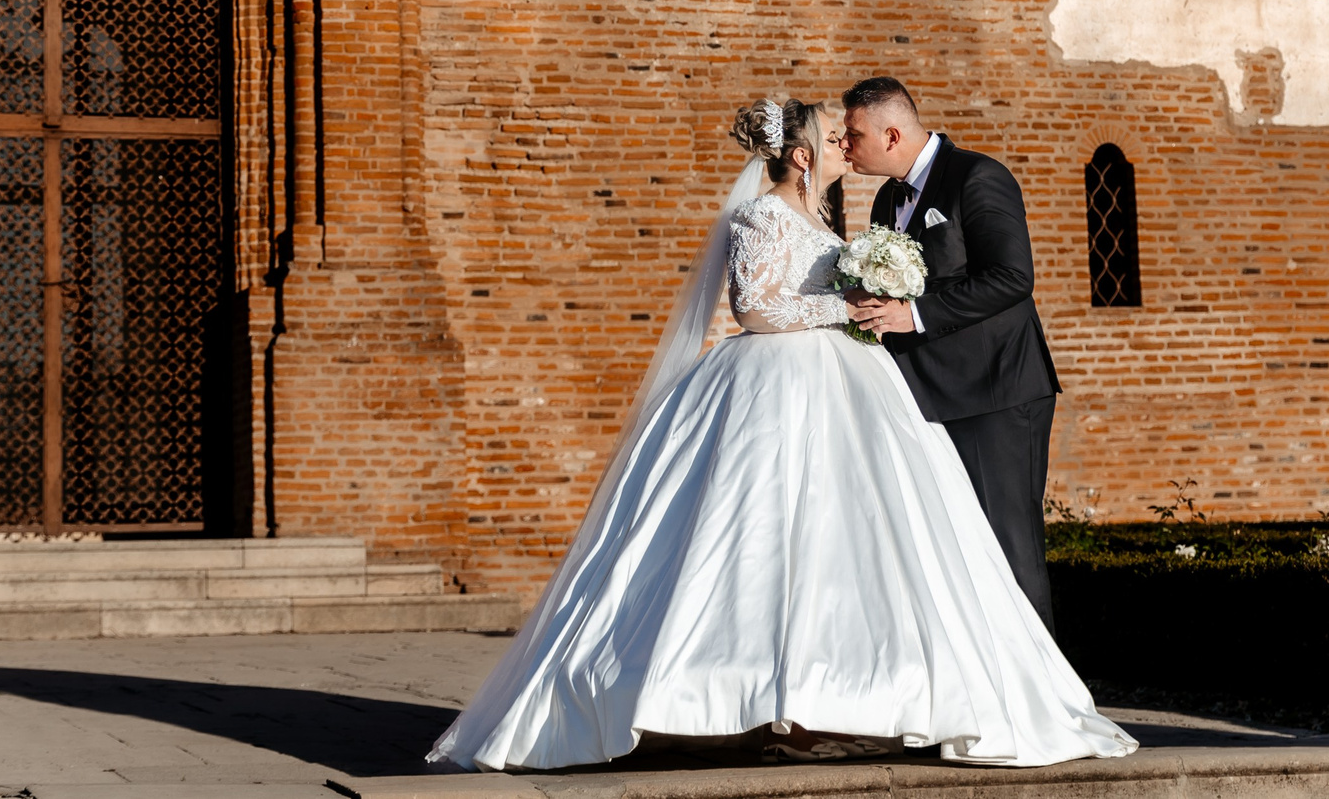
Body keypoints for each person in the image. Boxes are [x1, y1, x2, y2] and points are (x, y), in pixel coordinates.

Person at [428, 97, 1133, 773]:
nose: (844, 146)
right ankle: (743, 693)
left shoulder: (836, 213)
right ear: (800, 156)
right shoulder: (761, 214)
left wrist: (866, 306)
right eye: (832, 138)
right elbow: (757, 307)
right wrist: (849, 305)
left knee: (852, 539)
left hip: (857, 383)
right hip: (774, 386)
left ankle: (855, 693)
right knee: (764, 535)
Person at [838, 76, 1064, 631]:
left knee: (1008, 548)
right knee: (952, 550)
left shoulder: (978, 177)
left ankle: (1042, 706)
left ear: (891, 134)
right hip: (928, 398)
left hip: (996, 394)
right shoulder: (889, 197)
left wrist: (911, 314)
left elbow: (1012, 278)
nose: (846, 145)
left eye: (854, 133)